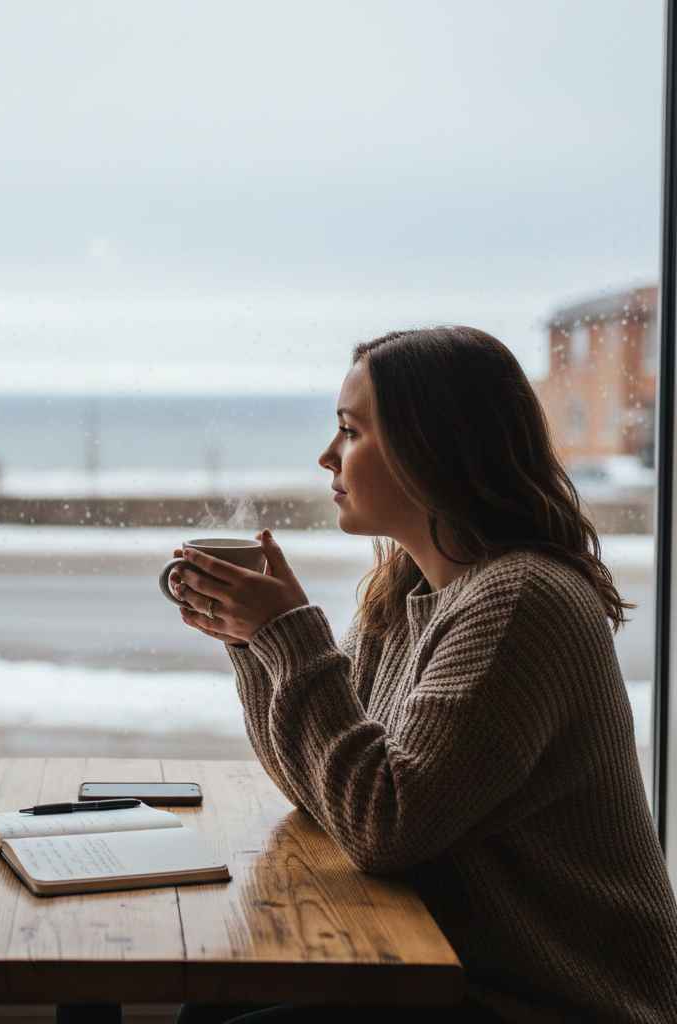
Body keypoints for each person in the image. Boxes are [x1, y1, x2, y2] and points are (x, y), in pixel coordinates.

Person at [168, 327, 677, 1024]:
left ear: (432, 447)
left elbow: (384, 826)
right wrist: (254, 644)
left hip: (555, 1001)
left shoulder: (520, 601)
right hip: (448, 968)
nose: (326, 455)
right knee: (213, 1002)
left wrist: (285, 636)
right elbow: (326, 791)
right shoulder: (403, 593)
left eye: (349, 431)